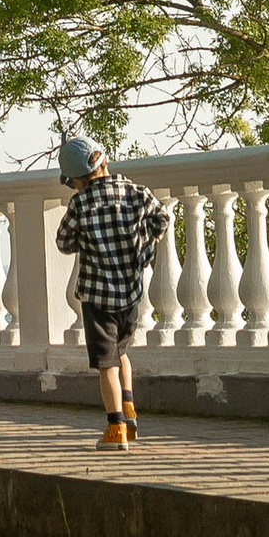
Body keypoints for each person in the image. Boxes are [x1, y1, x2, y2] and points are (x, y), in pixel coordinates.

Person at [54, 131, 170, 450]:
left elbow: (63, 242)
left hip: (97, 296)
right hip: (131, 294)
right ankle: (130, 414)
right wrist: (144, 246)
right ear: (104, 161)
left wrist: (87, 242)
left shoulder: (80, 203)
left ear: (76, 179)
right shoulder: (136, 191)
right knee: (122, 353)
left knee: (106, 364)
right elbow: (162, 219)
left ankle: (115, 428)